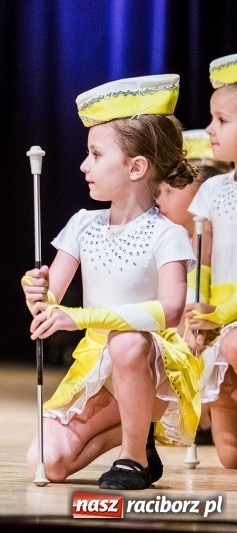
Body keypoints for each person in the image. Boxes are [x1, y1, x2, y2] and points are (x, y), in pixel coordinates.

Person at [22, 74, 201, 490]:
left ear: (137, 167)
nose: (84, 165)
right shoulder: (83, 225)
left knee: (127, 341)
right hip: (97, 366)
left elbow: (169, 311)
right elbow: (50, 301)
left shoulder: (166, 234)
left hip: (153, 363)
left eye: (96, 154)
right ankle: (134, 432)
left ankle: (134, 456)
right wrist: (35, 290)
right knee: (45, 462)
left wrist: (80, 317)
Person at [155, 128, 232, 446]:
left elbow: (206, 291)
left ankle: (206, 415)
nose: (160, 199)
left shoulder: (209, 236)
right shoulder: (171, 238)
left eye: (171, 191)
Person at [185, 53, 237, 468]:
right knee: (229, 455)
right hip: (220, 319)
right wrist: (195, 309)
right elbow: (200, 261)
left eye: (222, 120)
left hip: (231, 320)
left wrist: (220, 315)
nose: (209, 130)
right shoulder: (215, 189)